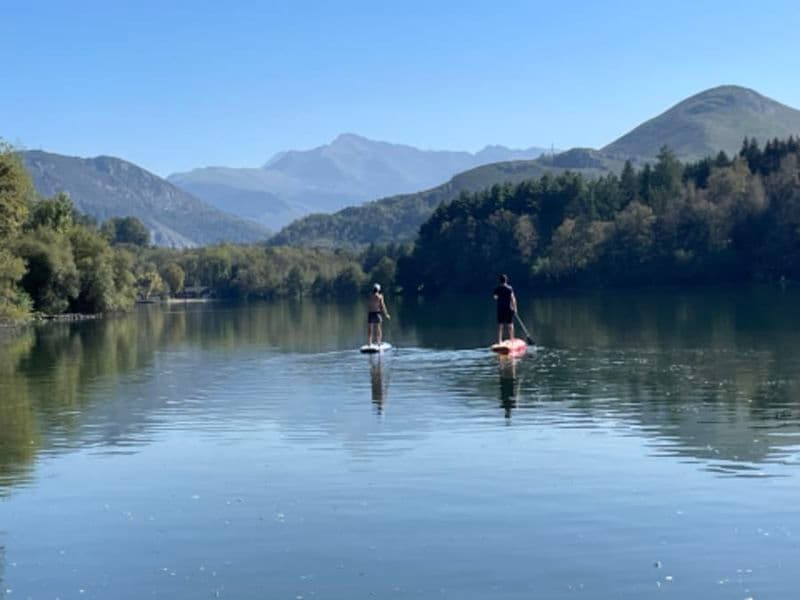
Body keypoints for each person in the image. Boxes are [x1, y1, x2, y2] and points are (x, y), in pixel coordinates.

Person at [493, 274, 517, 344]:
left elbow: (495, 297)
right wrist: (515, 308)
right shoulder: (509, 288)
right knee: (510, 325)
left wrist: (499, 297)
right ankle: (512, 340)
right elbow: (513, 298)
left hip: (500, 309)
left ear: (500, 281)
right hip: (508, 308)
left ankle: (499, 341)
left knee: (500, 325)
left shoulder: (497, 288)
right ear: (506, 280)